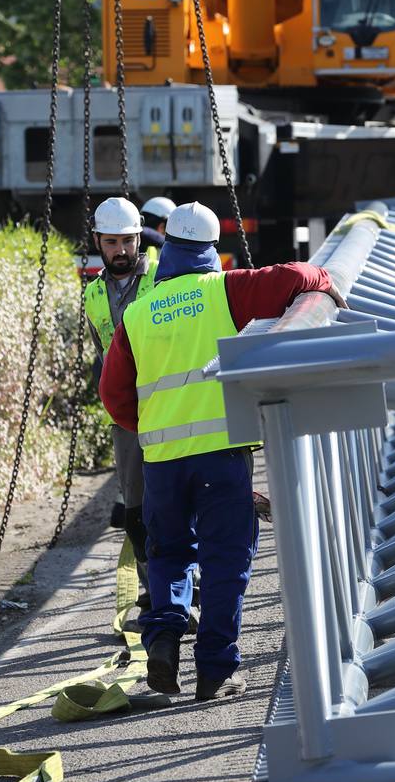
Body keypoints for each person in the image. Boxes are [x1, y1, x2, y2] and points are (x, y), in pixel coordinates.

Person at [99, 202, 346, 700]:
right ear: (211, 250)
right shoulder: (226, 291)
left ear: (166, 251)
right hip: (222, 456)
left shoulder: (139, 313)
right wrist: (325, 280)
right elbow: (293, 276)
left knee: (168, 552)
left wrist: (151, 427)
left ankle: (164, 636)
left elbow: (113, 395)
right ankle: (215, 671)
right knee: (225, 560)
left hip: (162, 462)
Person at [84, 197, 159, 598]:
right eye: (111, 242)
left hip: (167, 406)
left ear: (138, 238)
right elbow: (102, 352)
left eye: (127, 241)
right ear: (98, 241)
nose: (120, 251)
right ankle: (153, 587)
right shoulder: (92, 295)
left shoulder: (160, 281)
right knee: (136, 510)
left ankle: (185, 583)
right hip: (126, 417)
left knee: (176, 501)